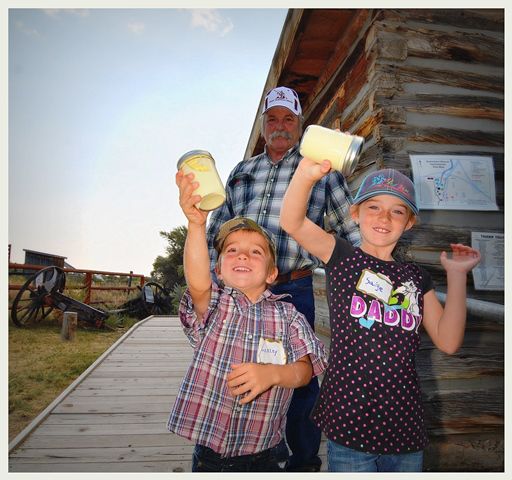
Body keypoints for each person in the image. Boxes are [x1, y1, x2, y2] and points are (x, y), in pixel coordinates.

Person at [280, 161, 481, 472]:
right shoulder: (343, 257)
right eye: (373, 206)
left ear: (410, 222)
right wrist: (306, 175)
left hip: (404, 432)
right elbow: (292, 221)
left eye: (397, 211)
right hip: (349, 426)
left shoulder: (416, 277)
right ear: (356, 214)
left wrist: (456, 276)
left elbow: (449, 340)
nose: (385, 217)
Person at [206, 86, 361, 471]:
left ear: (299, 124)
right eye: (272, 119)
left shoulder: (320, 167)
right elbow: (217, 228)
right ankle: (243, 453)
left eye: (288, 119)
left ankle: (303, 462)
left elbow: (350, 227)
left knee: (300, 378)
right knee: (239, 368)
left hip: (294, 288)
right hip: (241, 292)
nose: (279, 126)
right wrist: (213, 275)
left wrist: (372, 276)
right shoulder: (242, 172)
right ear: (262, 125)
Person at [167, 169, 328, 472]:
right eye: (232, 250)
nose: (242, 256)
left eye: (255, 252)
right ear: (219, 270)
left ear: (271, 274)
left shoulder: (289, 316)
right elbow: (198, 284)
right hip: (209, 456)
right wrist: (196, 224)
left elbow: (306, 371)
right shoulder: (215, 305)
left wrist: (274, 375)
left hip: (266, 454)